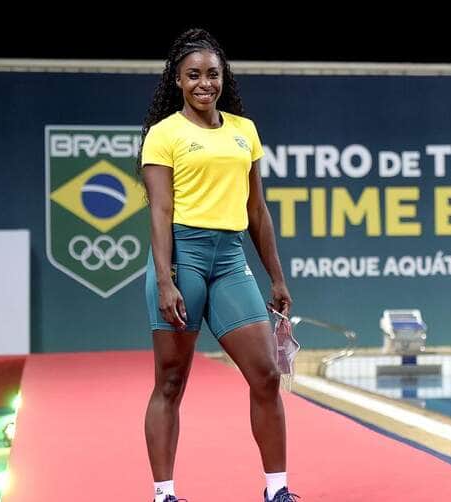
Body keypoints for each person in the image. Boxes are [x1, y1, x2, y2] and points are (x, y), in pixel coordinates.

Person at [137, 28, 299, 502]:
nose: (204, 83)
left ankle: (277, 489)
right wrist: (165, 280)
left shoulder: (243, 131)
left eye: (212, 73)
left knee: (266, 374)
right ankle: (164, 494)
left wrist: (277, 276)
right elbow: (160, 211)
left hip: (230, 260)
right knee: (170, 381)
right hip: (181, 257)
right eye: (193, 75)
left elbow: (257, 212)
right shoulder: (163, 134)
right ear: (178, 81)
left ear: (223, 77)